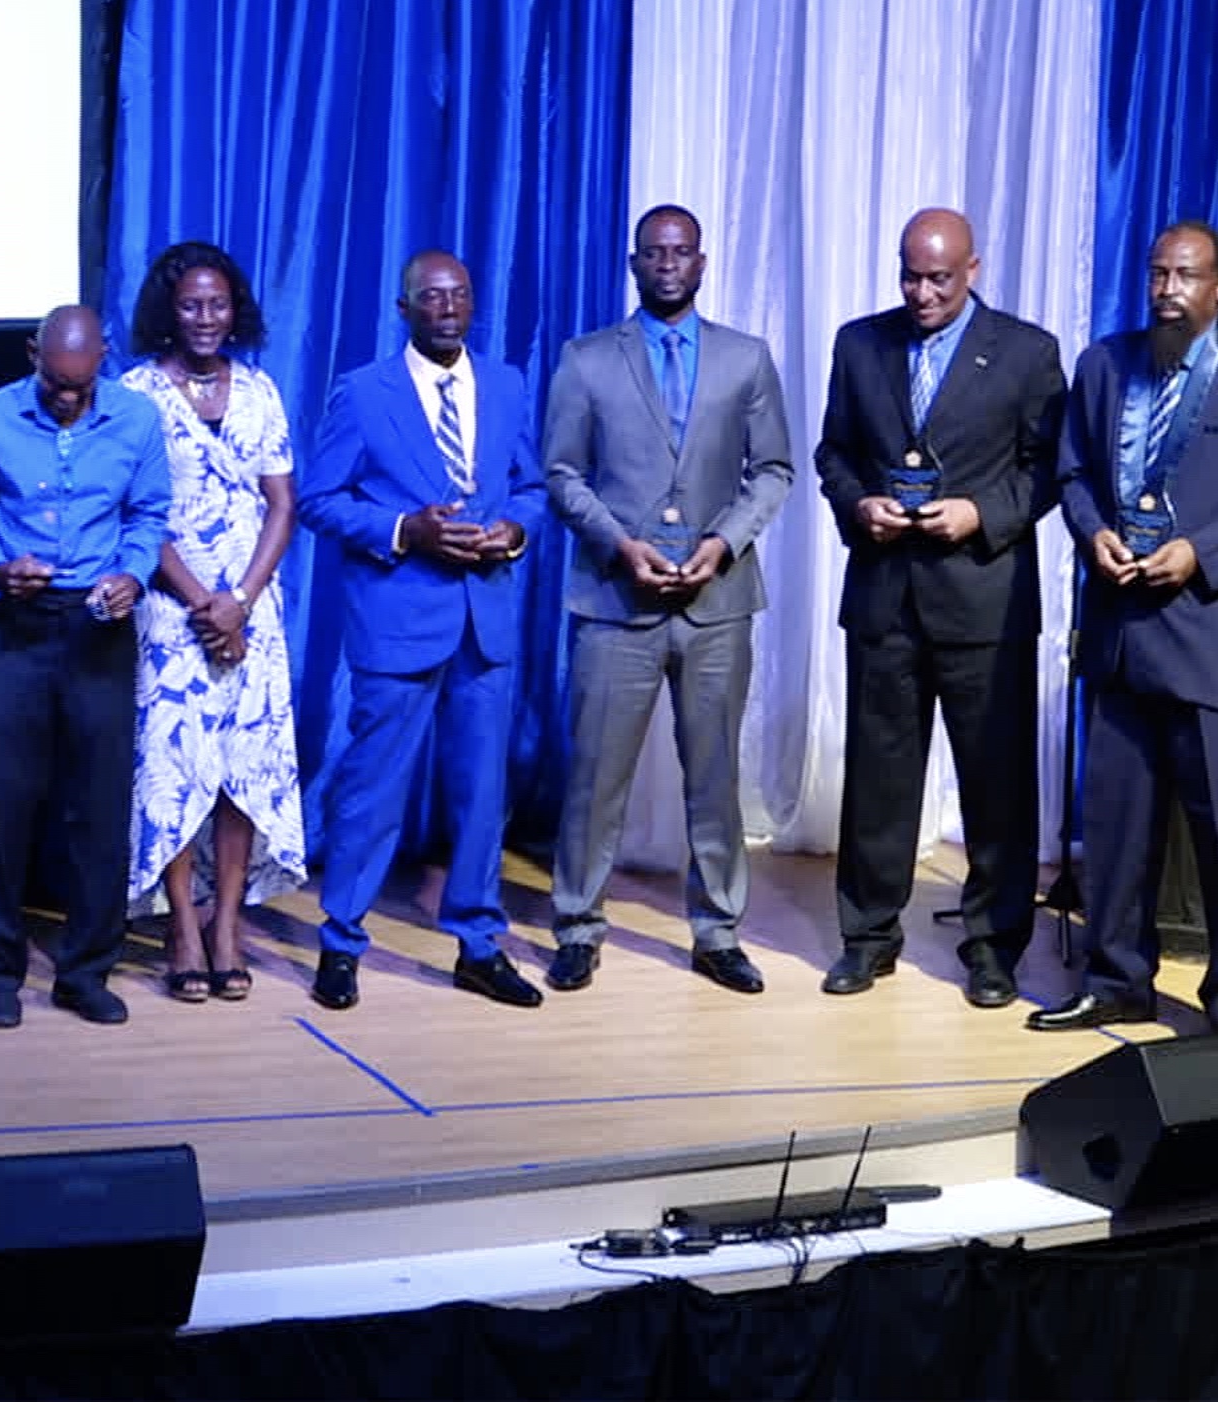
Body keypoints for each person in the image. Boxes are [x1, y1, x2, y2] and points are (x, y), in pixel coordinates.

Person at [1033, 221, 1218, 1032]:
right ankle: (1115, 976)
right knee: (1118, 829)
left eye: (1187, 275)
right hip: (1125, 636)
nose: (1168, 288)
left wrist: (1202, 552)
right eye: (1158, 273)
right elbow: (1072, 472)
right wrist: (1092, 528)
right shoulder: (1105, 364)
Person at [811, 208, 1066, 1007]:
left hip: (983, 601)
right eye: (909, 275)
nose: (920, 292)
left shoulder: (1027, 353)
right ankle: (867, 936)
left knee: (996, 785)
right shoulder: (861, 343)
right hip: (886, 596)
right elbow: (834, 454)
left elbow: (1050, 468)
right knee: (880, 780)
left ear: (974, 269)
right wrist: (860, 507)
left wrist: (980, 515)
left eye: (938, 278)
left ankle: (993, 948)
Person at [542, 205, 795, 996]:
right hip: (617, 601)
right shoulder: (585, 361)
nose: (668, 264)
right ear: (634, 263)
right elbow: (561, 475)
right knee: (594, 777)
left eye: (681, 253)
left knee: (715, 776)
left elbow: (776, 469)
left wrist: (723, 544)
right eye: (654, 253)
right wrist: (621, 545)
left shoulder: (746, 359)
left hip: (717, 603)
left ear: (703, 262)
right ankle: (579, 926)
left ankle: (718, 932)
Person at [300, 250, 548, 1012]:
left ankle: (477, 943)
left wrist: (512, 533)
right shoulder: (363, 394)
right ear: (403, 308)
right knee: (372, 791)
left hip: (485, 620)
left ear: (474, 305)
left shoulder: (505, 385)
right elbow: (318, 499)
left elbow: (532, 489)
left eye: (460, 295)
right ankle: (341, 942)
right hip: (397, 620)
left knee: (481, 795)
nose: (447, 307)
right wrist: (407, 529)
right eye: (431, 297)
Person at [0, 306, 171, 1028]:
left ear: (104, 358)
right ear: (32, 355)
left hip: (98, 628)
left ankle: (84, 971)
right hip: (11, 625)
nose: (69, 397)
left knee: (99, 811)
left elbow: (147, 516)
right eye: (56, 382)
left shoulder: (137, 421)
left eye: (83, 383)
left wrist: (133, 576)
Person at [121, 242, 307, 1003]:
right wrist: (204, 604)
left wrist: (242, 599)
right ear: (169, 310)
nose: (206, 317)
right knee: (177, 772)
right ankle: (181, 929)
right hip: (173, 610)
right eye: (192, 304)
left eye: (218, 304)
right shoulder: (135, 393)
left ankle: (227, 923)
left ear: (237, 310)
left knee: (241, 773)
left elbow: (283, 504)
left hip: (252, 608)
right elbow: (138, 512)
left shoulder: (260, 390)